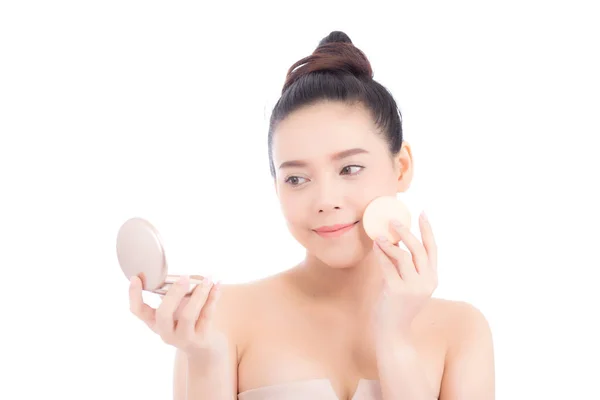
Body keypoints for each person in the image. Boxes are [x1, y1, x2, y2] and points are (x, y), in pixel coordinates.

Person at [128, 31, 495, 400]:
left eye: (350, 169)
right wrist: (204, 361)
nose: (325, 200)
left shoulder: (461, 332)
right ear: (277, 188)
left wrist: (395, 341)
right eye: (297, 178)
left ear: (401, 167)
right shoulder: (217, 321)